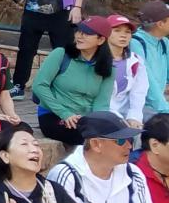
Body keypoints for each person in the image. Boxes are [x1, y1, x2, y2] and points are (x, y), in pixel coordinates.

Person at [31, 17, 117, 146]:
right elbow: (39, 86)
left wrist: (98, 123)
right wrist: (65, 113)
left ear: (101, 40)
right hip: (54, 114)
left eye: (87, 33)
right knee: (85, 137)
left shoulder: (108, 68)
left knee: (118, 134)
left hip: (85, 119)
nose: (79, 36)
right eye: (79, 31)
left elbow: (102, 103)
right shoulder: (61, 54)